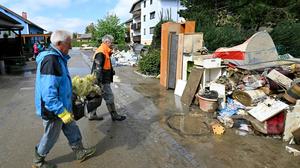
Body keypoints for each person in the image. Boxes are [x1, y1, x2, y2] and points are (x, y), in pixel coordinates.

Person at [33, 30, 96, 168]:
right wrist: (61, 112)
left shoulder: (58, 58)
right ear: (59, 44)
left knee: (72, 128)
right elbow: (49, 95)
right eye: (69, 44)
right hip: (54, 110)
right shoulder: (51, 60)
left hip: (62, 106)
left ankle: (80, 152)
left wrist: (71, 91)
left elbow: (59, 83)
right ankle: (38, 161)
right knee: (50, 136)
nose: (71, 47)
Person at [89, 34, 126, 121]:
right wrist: (99, 83)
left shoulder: (105, 51)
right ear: (106, 42)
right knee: (109, 97)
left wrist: (111, 71)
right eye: (111, 42)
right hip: (102, 80)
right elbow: (98, 69)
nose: (112, 44)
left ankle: (92, 114)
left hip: (101, 79)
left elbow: (104, 65)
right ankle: (114, 115)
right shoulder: (101, 52)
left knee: (96, 97)